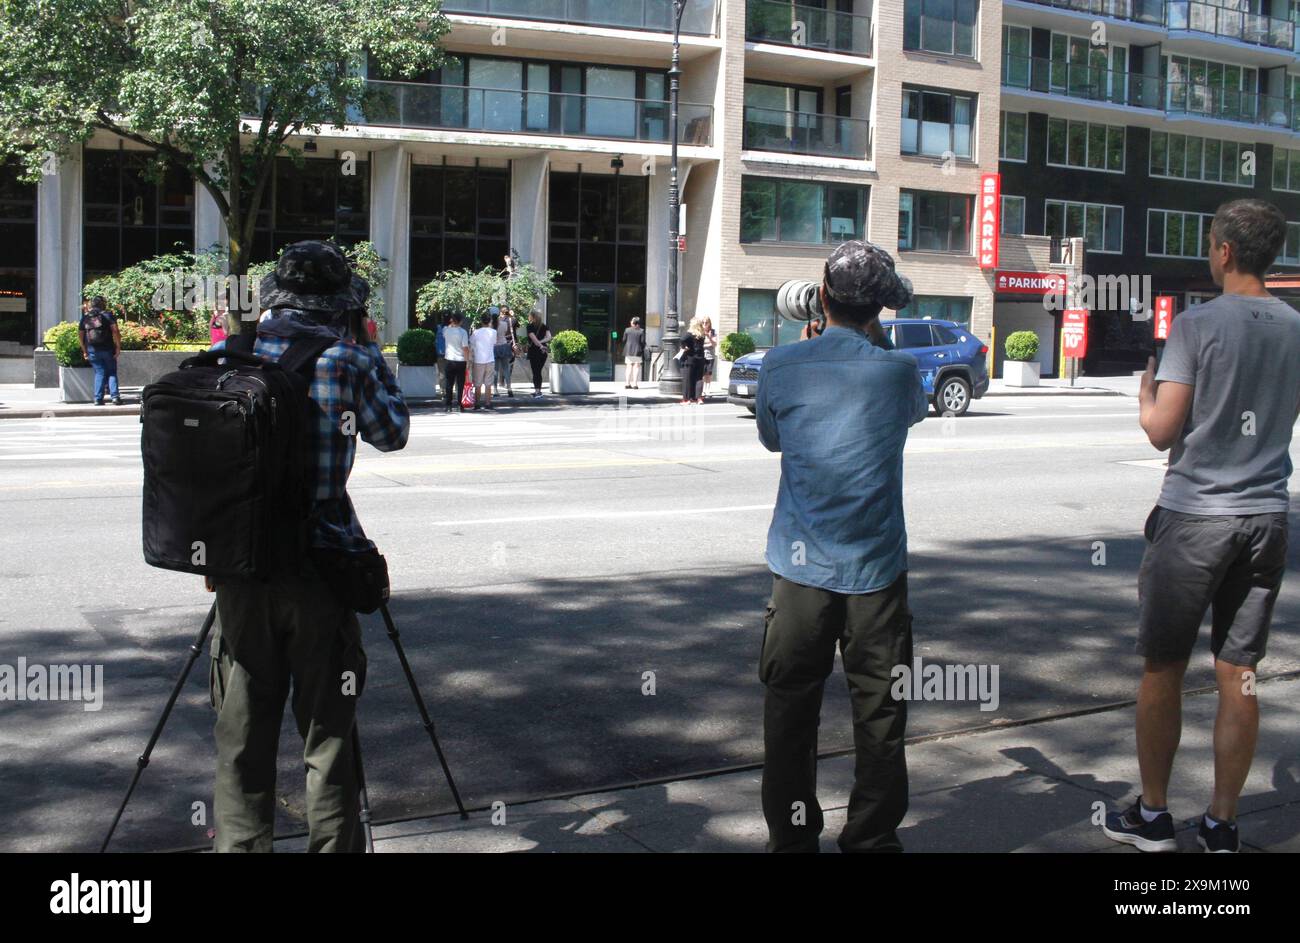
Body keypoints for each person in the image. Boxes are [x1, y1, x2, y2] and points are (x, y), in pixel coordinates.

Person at [1103, 199, 1300, 854]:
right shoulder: (1295, 327)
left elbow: (1163, 432)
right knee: (1238, 671)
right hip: (1267, 518)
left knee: (1162, 668)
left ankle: (1154, 815)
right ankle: (1222, 823)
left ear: (1223, 252)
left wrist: (1145, 399)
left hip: (1195, 520)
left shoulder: (1197, 325)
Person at [208, 240, 410, 852]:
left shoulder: (227, 357)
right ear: (338, 303)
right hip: (322, 570)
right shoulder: (349, 359)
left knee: (242, 736)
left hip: (241, 571)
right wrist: (369, 343)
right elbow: (392, 433)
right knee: (327, 738)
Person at [754, 240, 925, 853]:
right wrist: (864, 339)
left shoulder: (780, 365)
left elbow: (773, 439)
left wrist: (815, 348)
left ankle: (794, 839)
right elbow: (908, 413)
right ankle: (872, 840)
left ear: (820, 298)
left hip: (799, 574)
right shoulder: (900, 372)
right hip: (876, 574)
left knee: (790, 715)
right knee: (880, 717)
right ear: (880, 308)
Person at [78, 295, 121, 406]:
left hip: (92, 350)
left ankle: (98, 399)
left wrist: (84, 350)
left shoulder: (85, 317)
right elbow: (115, 331)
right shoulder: (108, 315)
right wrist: (118, 346)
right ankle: (115, 397)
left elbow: (80, 336)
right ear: (103, 304)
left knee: (99, 373)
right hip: (108, 348)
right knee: (111, 372)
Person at [442, 312, 470, 413]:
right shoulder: (463, 332)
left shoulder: (446, 330)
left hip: (449, 359)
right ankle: (459, 405)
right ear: (461, 321)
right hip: (461, 360)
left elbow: (447, 328)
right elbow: (465, 348)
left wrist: (451, 323)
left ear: (452, 320)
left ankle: (448, 405)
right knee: (460, 384)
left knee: (449, 383)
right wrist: (467, 361)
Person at [470, 313, 498, 410]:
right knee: (488, 383)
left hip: (478, 360)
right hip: (490, 359)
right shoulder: (493, 332)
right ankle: (488, 403)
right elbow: (494, 343)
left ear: (481, 321)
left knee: (477, 383)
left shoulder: (475, 332)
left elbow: (472, 345)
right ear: (490, 321)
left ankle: (477, 403)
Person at [678, 316, 707, 405]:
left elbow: (682, 339)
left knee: (688, 379)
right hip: (700, 358)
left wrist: (684, 347)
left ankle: (686, 399)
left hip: (690, 359)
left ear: (693, 324)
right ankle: (698, 398)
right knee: (698, 378)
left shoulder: (689, 333)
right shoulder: (702, 334)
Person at [526, 311, 552, 399]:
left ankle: (538, 392)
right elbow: (549, 337)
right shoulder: (544, 326)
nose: (528, 317)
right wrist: (542, 343)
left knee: (536, 372)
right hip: (543, 352)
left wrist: (540, 345)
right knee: (538, 371)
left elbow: (534, 339)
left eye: (529, 316)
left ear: (532, 317)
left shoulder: (530, 326)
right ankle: (538, 390)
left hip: (535, 351)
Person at [494, 305, 517, 398]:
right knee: (506, 368)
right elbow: (506, 332)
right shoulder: (504, 324)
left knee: (495, 369)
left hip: (495, 347)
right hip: (504, 345)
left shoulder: (491, 325)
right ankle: (509, 389)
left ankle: (495, 390)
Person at [623, 316, 645, 389]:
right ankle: (635, 384)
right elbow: (642, 342)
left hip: (628, 351)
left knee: (628, 367)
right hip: (637, 351)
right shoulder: (641, 331)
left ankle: (627, 383)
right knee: (636, 367)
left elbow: (624, 340)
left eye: (631, 321)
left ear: (633, 322)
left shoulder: (627, 330)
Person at [701, 317, 718, 395]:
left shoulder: (713, 332)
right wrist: (708, 345)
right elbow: (699, 345)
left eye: (706, 323)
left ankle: (708, 388)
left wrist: (709, 337)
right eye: (703, 322)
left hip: (710, 356)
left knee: (709, 373)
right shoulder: (700, 332)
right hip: (702, 356)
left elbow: (714, 344)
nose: (704, 324)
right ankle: (703, 389)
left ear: (709, 323)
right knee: (703, 373)